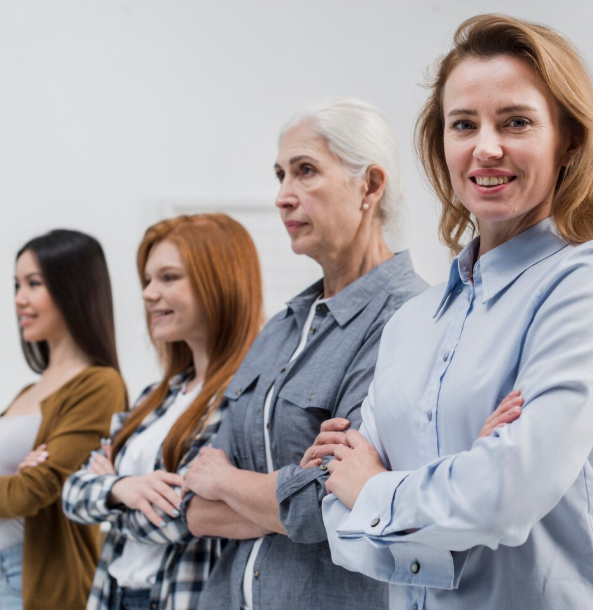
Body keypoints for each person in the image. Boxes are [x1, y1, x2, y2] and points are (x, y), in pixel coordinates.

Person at [320, 14, 593, 610]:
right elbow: (337, 518)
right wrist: (458, 483)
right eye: (463, 124)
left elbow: (503, 496)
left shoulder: (586, 280)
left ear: (568, 139)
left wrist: (379, 491)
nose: (486, 147)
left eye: (516, 122)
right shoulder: (411, 324)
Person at [178, 98, 426, 610]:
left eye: (305, 171)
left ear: (370, 186)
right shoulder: (283, 325)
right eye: (279, 175)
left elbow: (337, 501)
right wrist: (284, 495)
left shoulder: (411, 319)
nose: (283, 197)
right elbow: (195, 504)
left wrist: (226, 481)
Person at [62, 214, 265, 610]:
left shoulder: (244, 398)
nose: (148, 293)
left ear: (220, 282)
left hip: (173, 597)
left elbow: (182, 516)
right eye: (148, 280)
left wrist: (111, 493)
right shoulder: (153, 398)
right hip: (112, 593)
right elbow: (72, 492)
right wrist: (123, 489)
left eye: (168, 278)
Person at [0, 229, 128, 610]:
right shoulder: (26, 393)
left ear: (73, 288)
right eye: (17, 284)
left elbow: (32, 493)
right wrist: (1, 491)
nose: (20, 299)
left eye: (34, 283)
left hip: (47, 584)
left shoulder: (99, 384)